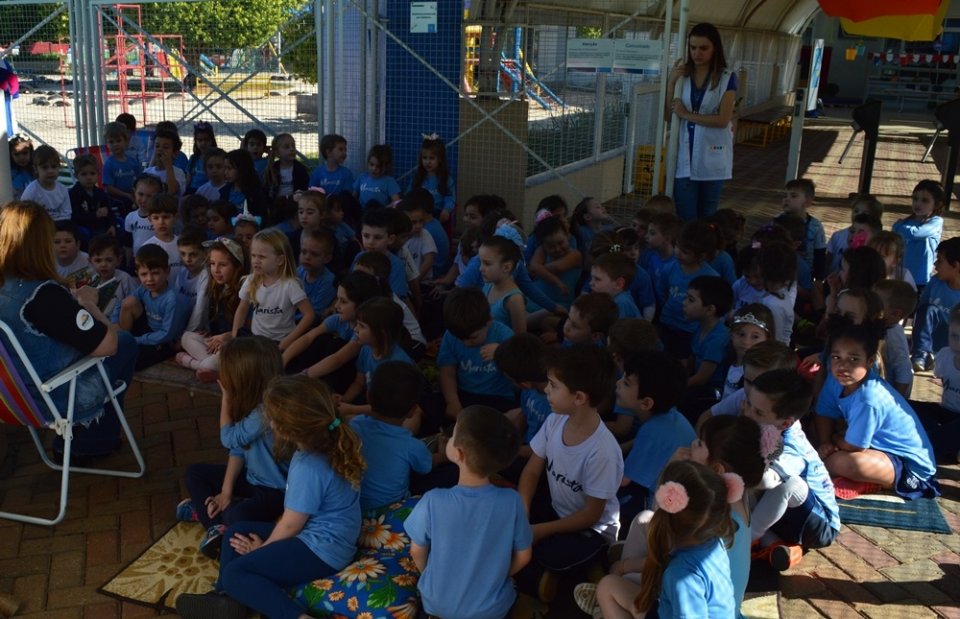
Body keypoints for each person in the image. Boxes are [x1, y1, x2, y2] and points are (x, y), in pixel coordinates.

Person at [175, 376, 363, 619]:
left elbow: (290, 524)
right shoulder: (333, 439)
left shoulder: (308, 466)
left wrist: (262, 550)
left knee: (236, 573)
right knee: (235, 532)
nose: (267, 421)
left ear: (285, 429)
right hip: (324, 538)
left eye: (270, 417)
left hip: (321, 551)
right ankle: (225, 600)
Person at [0, 201, 137, 457]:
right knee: (126, 342)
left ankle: (94, 435)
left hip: (12, 399)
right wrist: (89, 305)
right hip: (55, 397)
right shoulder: (43, 294)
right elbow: (109, 345)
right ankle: (96, 439)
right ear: (41, 244)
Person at [517, 345, 623, 602]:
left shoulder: (603, 452)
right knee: (508, 511)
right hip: (558, 508)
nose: (546, 390)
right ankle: (542, 567)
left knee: (551, 553)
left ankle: (583, 567)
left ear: (579, 398)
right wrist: (522, 512)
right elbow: (532, 469)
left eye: (553, 385)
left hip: (591, 528)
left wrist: (539, 530)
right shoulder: (556, 420)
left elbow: (591, 514)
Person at [407, 405, 531, 619]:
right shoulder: (512, 501)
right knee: (514, 590)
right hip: (489, 610)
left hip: (436, 605)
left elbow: (416, 552)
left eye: (453, 433)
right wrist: (499, 576)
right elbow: (524, 556)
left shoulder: (432, 500)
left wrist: (429, 575)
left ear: (459, 453)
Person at [178, 337, 288, 558]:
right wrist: (226, 491)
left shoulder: (265, 411)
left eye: (226, 372)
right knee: (194, 473)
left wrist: (226, 398)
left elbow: (228, 438)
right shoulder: (252, 400)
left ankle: (210, 516)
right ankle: (214, 526)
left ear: (243, 378)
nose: (222, 376)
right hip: (254, 478)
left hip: (276, 491)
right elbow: (238, 448)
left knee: (235, 516)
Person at [593, 461, 738, 619]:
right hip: (673, 606)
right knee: (614, 584)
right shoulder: (713, 541)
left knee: (607, 586)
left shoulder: (681, 577)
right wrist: (625, 566)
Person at [815, 321, 940, 499]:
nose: (843, 366)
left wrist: (834, 440)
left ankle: (869, 480)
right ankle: (856, 478)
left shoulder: (869, 397)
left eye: (853, 359)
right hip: (868, 447)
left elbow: (854, 447)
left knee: (841, 462)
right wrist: (824, 442)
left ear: (870, 361)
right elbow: (823, 413)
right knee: (813, 437)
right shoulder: (836, 379)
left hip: (907, 466)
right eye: (836, 357)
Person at [742, 369, 839, 571]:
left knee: (788, 483)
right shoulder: (761, 427)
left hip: (819, 525)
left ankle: (745, 540)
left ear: (786, 422)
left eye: (758, 412)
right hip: (781, 516)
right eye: (748, 405)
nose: (748, 413)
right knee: (742, 483)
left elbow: (768, 481)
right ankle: (781, 548)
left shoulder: (793, 446)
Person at [616, 351, 695, 529]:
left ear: (646, 403)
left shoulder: (652, 432)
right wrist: (619, 449)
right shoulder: (669, 415)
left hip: (664, 508)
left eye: (626, 383)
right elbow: (640, 443)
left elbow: (623, 480)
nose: (618, 384)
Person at [666, 22, 737, 222]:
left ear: (715, 48)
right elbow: (668, 117)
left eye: (703, 48)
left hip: (712, 156)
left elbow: (723, 120)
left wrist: (686, 114)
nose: (697, 53)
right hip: (685, 159)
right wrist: (671, 84)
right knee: (686, 216)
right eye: (693, 47)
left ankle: (706, 253)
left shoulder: (726, 77)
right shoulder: (682, 77)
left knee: (708, 217)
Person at [350, 361, 432, 511]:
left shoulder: (354, 425)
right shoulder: (411, 445)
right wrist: (443, 455)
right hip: (389, 512)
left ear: (368, 396)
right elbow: (426, 467)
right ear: (412, 411)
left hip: (353, 507)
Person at [438, 287, 516, 418]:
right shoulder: (451, 335)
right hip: (463, 393)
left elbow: (521, 369)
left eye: (473, 337)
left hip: (498, 396)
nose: (466, 343)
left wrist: (502, 352)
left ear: (489, 321)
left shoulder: (504, 335)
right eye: (460, 339)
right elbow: (447, 371)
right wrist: (452, 402)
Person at [232, 229, 314, 352]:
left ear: (280, 260)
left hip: (279, 343)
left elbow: (309, 315)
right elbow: (242, 310)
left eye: (262, 257)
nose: (256, 261)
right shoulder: (251, 281)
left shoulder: (290, 285)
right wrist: (234, 339)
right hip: (255, 340)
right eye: (253, 256)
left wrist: (287, 342)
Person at [178, 237, 246, 381]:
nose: (216, 270)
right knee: (187, 337)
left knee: (220, 358)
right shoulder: (216, 287)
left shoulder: (243, 292)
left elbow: (247, 329)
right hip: (216, 343)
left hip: (235, 345)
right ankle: (214, 367)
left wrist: (225, 337)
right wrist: (210, 334)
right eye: (212, 264)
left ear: (236, 266)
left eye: (223, 265)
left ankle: (197, 364)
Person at [335, 297, 415, 416]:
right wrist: (344, 400)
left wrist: (351, 409)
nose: (356, 329)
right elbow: (359, 382)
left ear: (381, 333)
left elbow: (391, 408)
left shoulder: (398, 364)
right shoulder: (366, 349)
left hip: (393, 414)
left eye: (362, 326)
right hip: (372, 405)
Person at [119, 244, 187, 369]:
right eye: (144, 274)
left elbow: (166, 334)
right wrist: (116, 326)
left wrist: (137, 340)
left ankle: (128, 344)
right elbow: (124, 304)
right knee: (129, 302)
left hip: (165, 341)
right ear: (137, 274)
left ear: (167, 272)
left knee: (133, 361)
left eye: (155, 273)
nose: (149, 279)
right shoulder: (144, 289)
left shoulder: (172, 299)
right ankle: (123, 340)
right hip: (148, 330)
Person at [911, 237, 960, 372]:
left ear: (955, 265)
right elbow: (921, 310)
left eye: (940, 261)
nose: (935, 264)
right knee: (928, 309)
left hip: (954, 339)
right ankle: (920, 356)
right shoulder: (935, 282)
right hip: (932, 336)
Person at [893, 179, 944, 293]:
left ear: (937, 204)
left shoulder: (935, 222)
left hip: (920, 279)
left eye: (925, 200)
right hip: (901, 276)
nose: (918, 203)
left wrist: (899, 226)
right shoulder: (906, 222)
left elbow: (916, 233)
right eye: (915, 199)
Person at [480, 236, 526, 335]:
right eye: (481, 262)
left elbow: (520, 338)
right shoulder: (488, 286)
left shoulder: (514, 299)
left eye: (487, 264)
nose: (481, 268)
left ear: (506, 267)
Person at [781, 178, 826, 279]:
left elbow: (820, 253)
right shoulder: (777, 221)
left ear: (807, 202)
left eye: (793, 196)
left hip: (805, 274)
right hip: (780, 272)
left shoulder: (815, 226)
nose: (786, 199)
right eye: (785, 196)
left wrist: (818, 279)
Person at [408, 134, 456, 224]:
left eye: (432, 158)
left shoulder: (446, 179)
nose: (427, 162)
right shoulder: (417, 178)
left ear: (440, 159)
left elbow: (450, 198)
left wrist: (446, 209)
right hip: (419, 216)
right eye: (424, 158)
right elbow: (409, 195)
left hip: (438, 215)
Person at [21, 145, 70, 222]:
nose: (50, 171)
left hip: (59, 224)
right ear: (36, 169)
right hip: (39, 225)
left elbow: (66, 213)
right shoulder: (31, 190)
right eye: (45, 167)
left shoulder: (63, 189)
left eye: (54, 167)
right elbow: (23, 212)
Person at [69, 154, 113, 240]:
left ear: (98, 174)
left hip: (101, 226)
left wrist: (112, 225)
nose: (89, 177)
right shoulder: (74, 194)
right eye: (84, 174)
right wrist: (95, 215)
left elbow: (110, 212)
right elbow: (75, 216)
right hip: (84, 228)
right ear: (76, 176)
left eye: (92, 173)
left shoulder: (100, 193)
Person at [101, 121, 142, 208]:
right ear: (107, 144)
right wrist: (127, 195)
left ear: (126, 141)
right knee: (126, 203)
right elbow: (109, 188)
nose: (115, 144)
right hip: (116, 197)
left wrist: (135, 192)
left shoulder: (133, 161)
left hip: (133, 194)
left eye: (118, 140)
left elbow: (140, 179)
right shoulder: (108, 164)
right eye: (111, 142)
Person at [263, 133, 309, 202]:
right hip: (277, 205)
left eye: (293, 146)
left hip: (294, 204)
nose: (291, 149)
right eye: (287, 147)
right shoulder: (273, 169)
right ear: (277, 152)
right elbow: (267, 191)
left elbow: (304, 189)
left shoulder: (300, 169)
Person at [353, 144, 401, 209]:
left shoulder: (389, 181)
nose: (374, 168)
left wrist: (385, 209)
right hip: (361, 213)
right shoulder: (362, 177)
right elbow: (353, 197)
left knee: (372, 204)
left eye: (378, 166)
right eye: (371, 164)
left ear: (386, 167)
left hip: (378, 214)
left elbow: (397, 202)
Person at [186, 121, 217, 194]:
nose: (203, 143)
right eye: (200, 140)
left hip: (209, 191)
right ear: (195, 142)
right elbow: (189, 177)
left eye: (207, 140)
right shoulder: (193, 159)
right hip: (193, 191)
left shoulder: (215, 159)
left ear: (212, 141)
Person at [9, 135, 34, 201]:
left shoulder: (36, 170)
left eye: (25, 153)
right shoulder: (9, 172)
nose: (21, 157)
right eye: (17, 154)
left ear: (31, 152)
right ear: (11, 155)